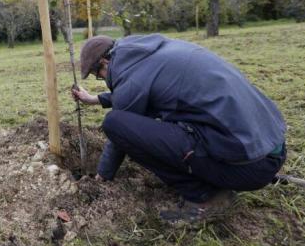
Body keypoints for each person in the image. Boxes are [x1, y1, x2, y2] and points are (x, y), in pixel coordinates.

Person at [71, 34, 286, 225]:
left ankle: (206, 198)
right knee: (154, 124)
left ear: (105, 62)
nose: (101, 79)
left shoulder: (133, 77)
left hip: (248, 169)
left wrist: (102, 176)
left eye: (98, 75)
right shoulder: (154, 53)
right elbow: (141, 91)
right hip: (269, 149)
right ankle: (214, 175)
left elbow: (120, 132)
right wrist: (96, 99)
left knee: (114, 124)